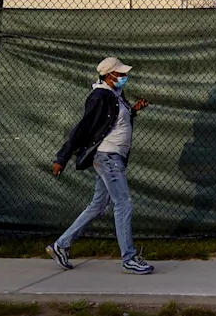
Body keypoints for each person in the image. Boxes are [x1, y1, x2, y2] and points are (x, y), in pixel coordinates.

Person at [46, 57, 154, 274]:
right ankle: (129, 258)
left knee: (97, 205)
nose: (124, 77)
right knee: (123, 203)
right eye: (120, 74)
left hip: (114, 157)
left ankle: (61, 245)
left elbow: (112, 122)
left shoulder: (115, 95)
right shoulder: (99, 96)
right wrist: (62, 158)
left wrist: (132, 111)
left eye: (124, 74)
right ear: (108, 75)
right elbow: (83, 128)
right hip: (107, 157)